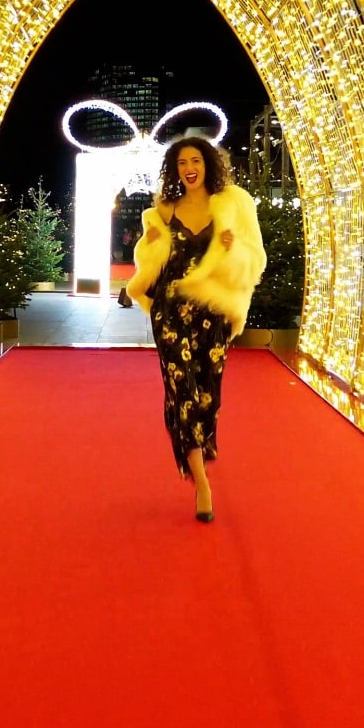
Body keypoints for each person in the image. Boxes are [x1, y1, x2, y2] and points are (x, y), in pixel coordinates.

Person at [122, 137, 265, 522]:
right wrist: (150, 245)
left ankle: (199, 447)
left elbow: (255, 259)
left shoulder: (231, 206)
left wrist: (234, 249)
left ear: (208, 165)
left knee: (207, 397)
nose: (190, 167)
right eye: (182, 161)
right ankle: (201, 482)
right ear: (175, 168)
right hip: (170, 312)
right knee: (181, 389)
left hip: (212, 313)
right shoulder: (164, 209)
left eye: (196, 160)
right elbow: (149, 260)